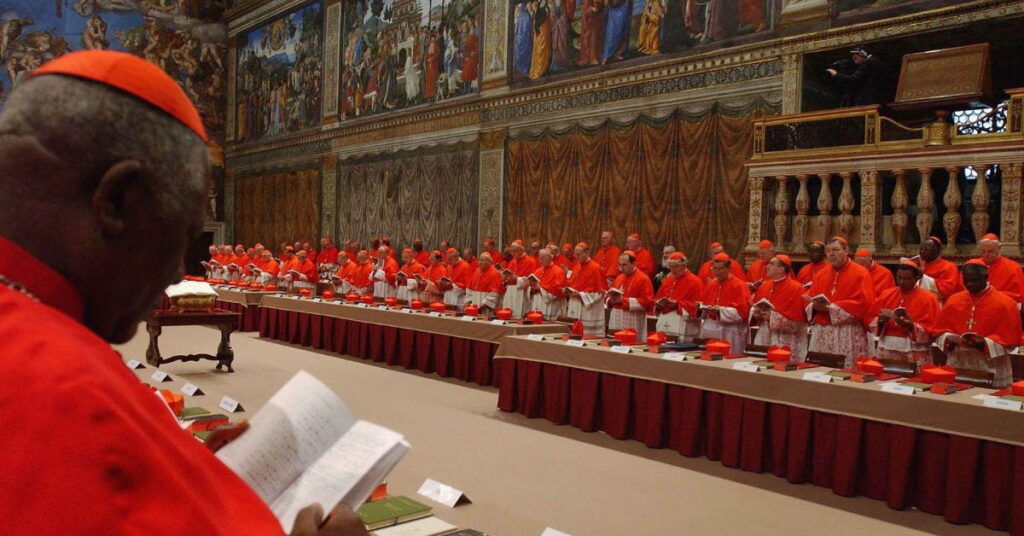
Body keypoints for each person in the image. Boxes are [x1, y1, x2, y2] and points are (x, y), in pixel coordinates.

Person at [0, 51, 366, 535]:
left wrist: (190, 473)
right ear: (117, 200)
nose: (176, 273)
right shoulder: (69, 395)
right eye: (181, 238)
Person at [933, 261, 1022, 387]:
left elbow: (1010, 341)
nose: (970, 284)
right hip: (959, 361)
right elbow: (939, 331)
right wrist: (948, 339)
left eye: (974, 280)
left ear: (986, 278)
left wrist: (984, 343)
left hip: (990, 365)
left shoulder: (1005, 304)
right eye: (967, 280)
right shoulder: (954, 300)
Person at [805, 237, 876, 366]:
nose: (831, 254)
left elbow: (864, 304)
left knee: (847, 373)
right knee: (820, 373)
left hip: (848, 333)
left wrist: (830, 308)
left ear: (846, 250)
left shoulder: (861, 273)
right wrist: (814, 306)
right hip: (822, 332)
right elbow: (811, 298)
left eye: (836, 250)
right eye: (828, 251)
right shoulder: (821, 274)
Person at [871, 260, 940, 365]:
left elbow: (933, 329)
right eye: (899, 278)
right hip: (887, 348)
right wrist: (880, 322)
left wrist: (911, 326)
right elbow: (870, 318)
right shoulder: (886, 294)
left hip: (914, 349)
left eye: (906, 278)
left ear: (917, 278)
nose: (902, 282)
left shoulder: (928, 298)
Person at [749, 254, 809, 361]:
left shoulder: (797, 288)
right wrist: (756, 313)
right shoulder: (764, 286)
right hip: (765, 335)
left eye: (771, 264)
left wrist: (772, 316)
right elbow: (755, 310)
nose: (767, 267)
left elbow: (798, 323)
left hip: (787, 340)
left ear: (781, 269)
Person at [697, 253, 751, 353]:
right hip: (711, 328)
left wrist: (721, 310)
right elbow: (704, 304)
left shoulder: (740, 285)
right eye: (714, 269)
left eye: (720, 269)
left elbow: (742, 312)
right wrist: (701, 307)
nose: (717, 272)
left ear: (729, 268)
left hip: (730, 331)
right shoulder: (712, 284)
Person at [653, 252, 703, 341]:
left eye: (675, 267)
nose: (672, 270)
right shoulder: (668, 280)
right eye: (670, 267)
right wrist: (658, 305)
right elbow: (657, 298)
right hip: (665, 320)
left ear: (684, 265)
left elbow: (699, 307)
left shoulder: (695, 282)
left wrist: (677, 304)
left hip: (684, 323)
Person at [606, 251, 655, 338]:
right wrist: (610, 300)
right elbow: (608, 297)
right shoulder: (619, 278)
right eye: (620, 265)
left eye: (624, 265)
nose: (621, 268)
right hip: (616, 318)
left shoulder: (643, 279)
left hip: (633, 319)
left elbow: (646, 302)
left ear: (634, 263)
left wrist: (623, 301)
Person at [565, 242, 607, 335]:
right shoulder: (577, 267)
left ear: (587, 252)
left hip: (589, 311)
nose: (576, 257)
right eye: (575, 254)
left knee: (588, 336)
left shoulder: (596, 268)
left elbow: (600, 292)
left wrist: (580, 294)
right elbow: (571, 283)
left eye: (578, 254)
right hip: (576, 306)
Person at [976, 233, 1023, 303]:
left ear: (999, 249)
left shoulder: (1013, 268)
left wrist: (992, 295)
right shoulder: (973, 265)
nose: (986, 255)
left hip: (1003, 305)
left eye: (990, 251)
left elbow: (1019, 294)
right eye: (983, 251)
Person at [918, 236, 963, 301]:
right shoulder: (918, 264)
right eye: (921, 249)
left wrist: (923, 277)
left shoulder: (949, 266)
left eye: (926, 249)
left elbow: (948, 289)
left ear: (937, 250)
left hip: (939, 302)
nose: (922, 251)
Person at [528, 248, 567, 320]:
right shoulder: (539, 270)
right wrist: (532, 288)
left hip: (551, 305)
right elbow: (531, 285)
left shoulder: (558, 271)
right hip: (538, 303)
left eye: (542, 258)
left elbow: (558, 290)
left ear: (549, 258)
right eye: (539, 258)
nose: (540, 261)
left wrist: (540, 289)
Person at [502, 240, 537, 318]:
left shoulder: (531, 261)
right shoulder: (512, 262)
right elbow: (508, 279)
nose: (512, 253)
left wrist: (517, 280)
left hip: (522, 295)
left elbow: (532, 280)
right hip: (511, 293)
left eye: (514, 251)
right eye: (512, 251)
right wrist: (505, 279)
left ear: (521, 250)